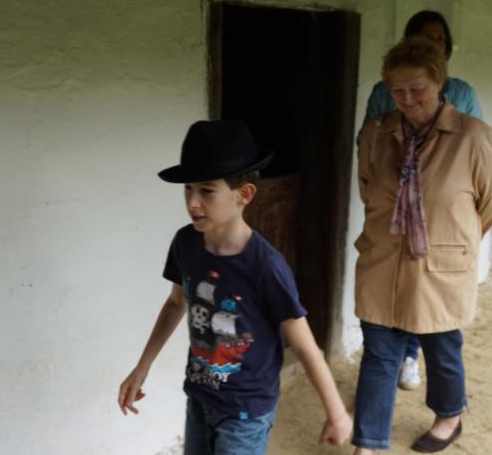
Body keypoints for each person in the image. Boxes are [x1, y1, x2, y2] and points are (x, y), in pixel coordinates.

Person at [118, 120, 352, 455]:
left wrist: (336, 412)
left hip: (246, 413)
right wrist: (142, 368)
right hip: (200, 397)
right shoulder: (185, 243)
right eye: (188, 189)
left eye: (206, 191)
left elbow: (304, 344)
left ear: (244, 194)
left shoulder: (265, 265)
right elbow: (175, 304)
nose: (192, 202)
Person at [351, 38, 492, 454]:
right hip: (383, 259)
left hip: (439, 265)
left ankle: (449, 416)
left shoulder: (472, 136)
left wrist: (454, 239)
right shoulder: (377, 133)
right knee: (379, 352)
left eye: (417, 89)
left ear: (439, 82)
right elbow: (368, 188)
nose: (407, 99)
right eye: (397, 90)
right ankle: (368, 443)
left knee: (441, 348)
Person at [361, 10, 485, 391]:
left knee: (436, 315)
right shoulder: (383, 92)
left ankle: (416, 362)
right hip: (393, 210)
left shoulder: (462, 94)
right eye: (425, 37)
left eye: (439, 39)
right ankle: (402, 362)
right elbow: (367, 154)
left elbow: (488, 189)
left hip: (442, 217)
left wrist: (458, 223)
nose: (408, 99)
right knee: (392, 296)